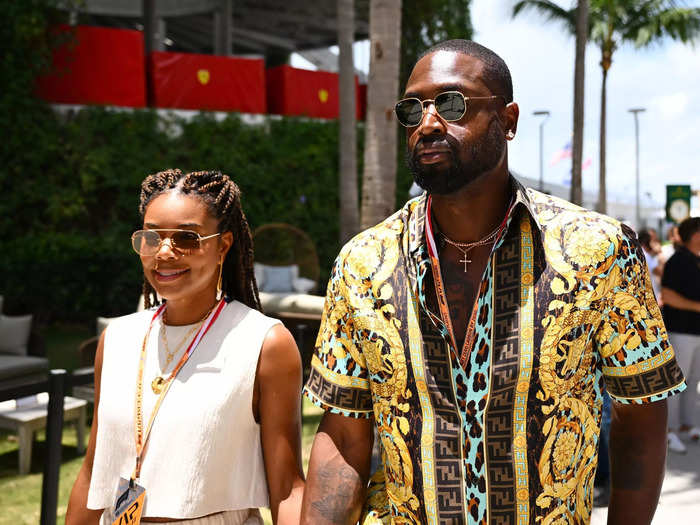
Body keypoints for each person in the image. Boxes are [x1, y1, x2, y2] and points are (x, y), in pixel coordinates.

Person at [300, 40, 686, 525]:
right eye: (412, 109)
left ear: (508, 120)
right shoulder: (362, 263)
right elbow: (343, 431)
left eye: (452, 103)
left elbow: (640, 413)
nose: (429, 122)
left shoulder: (597, 250)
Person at [66, 169, 304, 524]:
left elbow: (286, 487)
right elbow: (92, 472)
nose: (164, 252)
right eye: (151, 237)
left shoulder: (264, 343)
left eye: (186, 239)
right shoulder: (117, 339)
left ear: (222, 245)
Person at [661, 216, 700, 454]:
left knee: (693, 382)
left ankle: (689, 425)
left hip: (695, 332)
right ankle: (670, 431)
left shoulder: (696, 260)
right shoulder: (677, 261)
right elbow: (667, 294)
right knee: (677, 383)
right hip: (680, 331)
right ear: (693, 234)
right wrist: (696, 307)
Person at [639, 228, 664, 303]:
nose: (657, 243)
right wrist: (660, 254)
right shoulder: (646, 256)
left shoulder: (642, 254)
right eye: (654, 240)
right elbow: (661, 273)